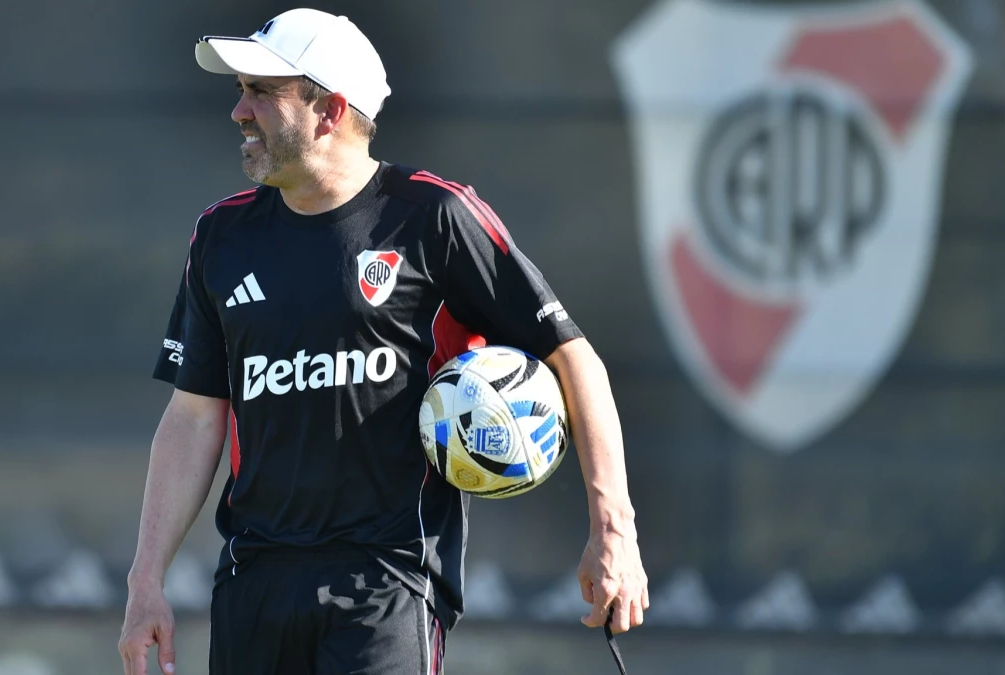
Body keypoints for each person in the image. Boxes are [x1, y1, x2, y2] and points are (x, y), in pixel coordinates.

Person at [118, 8, 648, 675]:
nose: (239, 112)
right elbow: (194, 415)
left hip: (388, 579)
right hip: (252, 581)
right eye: (239, 91)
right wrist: (145, 583)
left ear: (331, 110)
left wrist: (614, 531)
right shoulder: (220, 237)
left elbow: (575, 357)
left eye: (262, 92)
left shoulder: (433, 216)